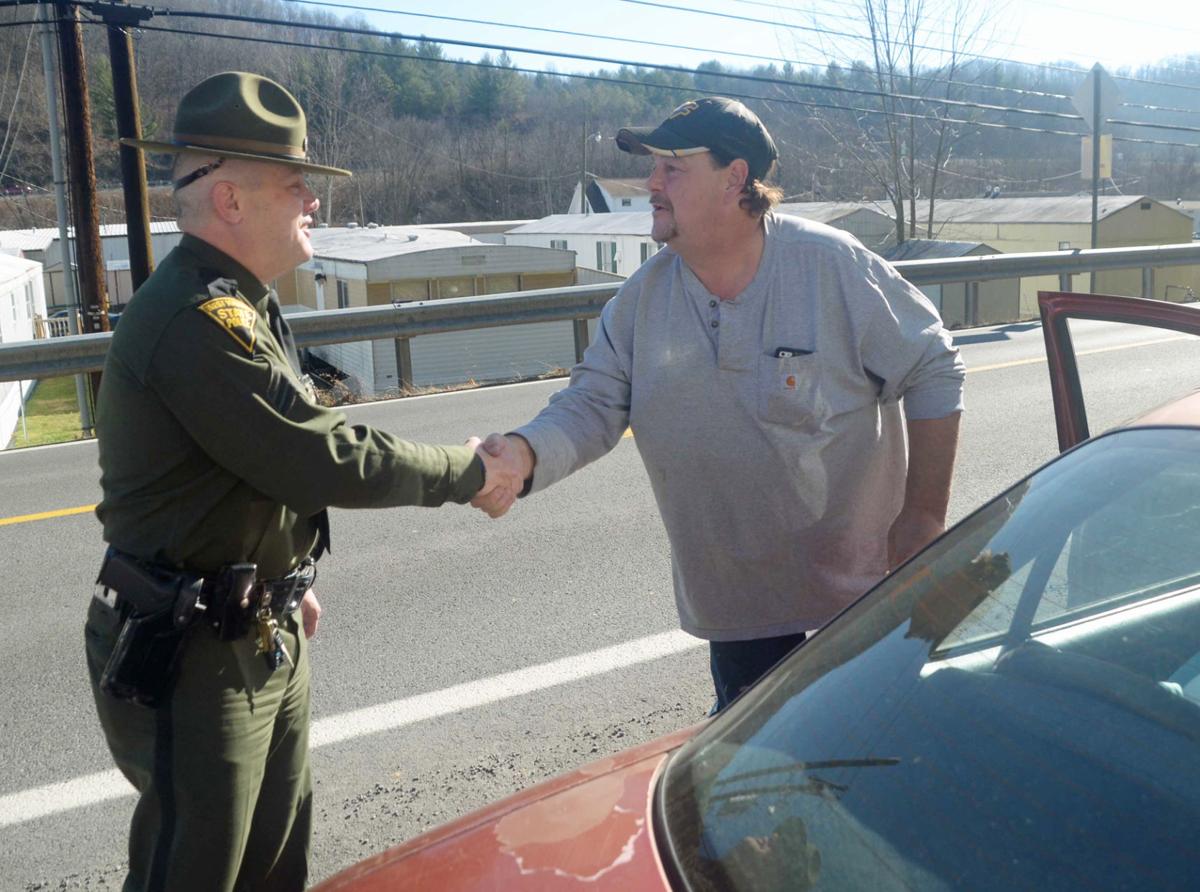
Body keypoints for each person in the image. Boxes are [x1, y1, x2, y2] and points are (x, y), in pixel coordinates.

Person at [85, 71, 522, 892]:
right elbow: (313, 451)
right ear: (231, 201)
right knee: (198, 870)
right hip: (194, 655)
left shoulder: (245, 301)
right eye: (297, 186)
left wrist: (285, 574)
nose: (313, 203)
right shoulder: (196, 317)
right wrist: (471, 472)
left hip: (252, 626)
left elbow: (250, 468)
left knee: (274, 863)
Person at [474, 97, 964, 711]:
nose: (651, 183)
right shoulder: (638, 304)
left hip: (860, 599)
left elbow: (934, 366)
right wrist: (520, 457)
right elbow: (592, 406)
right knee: (761, 786)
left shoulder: (831, 266)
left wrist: (923, 516)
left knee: (868, 760)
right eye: (653, 167)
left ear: (735, 178)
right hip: (739, 609)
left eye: (671, 168)